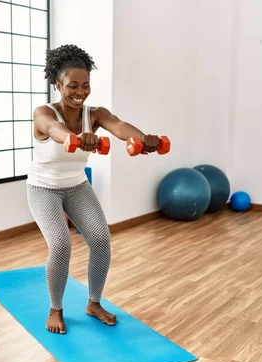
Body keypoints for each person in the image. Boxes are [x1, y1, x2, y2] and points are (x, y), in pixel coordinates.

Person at [27, 44, 161, 334]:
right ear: (57, 84)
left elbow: (119, 125)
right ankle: (56, 309)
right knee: (61, 244)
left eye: (85, 86)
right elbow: (52, 129)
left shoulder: (95, 113)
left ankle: (93, 302)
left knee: (101, 239)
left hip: (76, 186)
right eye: (72, 85)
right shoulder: (43, 112)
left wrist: (144, 138)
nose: (80, 92)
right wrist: (73, 137)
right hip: (43, 189)